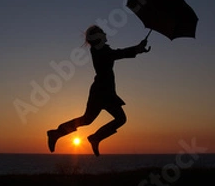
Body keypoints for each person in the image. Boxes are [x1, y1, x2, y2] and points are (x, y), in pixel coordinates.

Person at [47, 25, 151, 156]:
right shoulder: (100, 50)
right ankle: (94, 137)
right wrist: (138, 48)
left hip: (101, 91)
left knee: (88, 120)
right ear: (98, 37)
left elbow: (116, 53)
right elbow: (117, 54)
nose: (105, 34)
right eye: (102, 32)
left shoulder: (100, 50)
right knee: (119, 119)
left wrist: (138, 49)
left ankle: (58, 133)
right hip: (103, 92)